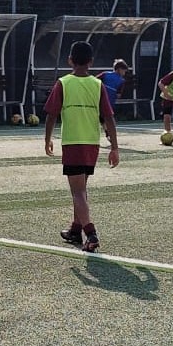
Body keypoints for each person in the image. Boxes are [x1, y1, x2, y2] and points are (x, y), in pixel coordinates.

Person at [44, 40, 119, 253]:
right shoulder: (97, 84)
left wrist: (47, 139)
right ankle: (75, 230)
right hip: (92, 143)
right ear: (91, 62)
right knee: (82, 189)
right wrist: (114, 147)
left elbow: (51, 115)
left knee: (77, 192)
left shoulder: (63, 83)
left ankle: (91, 233)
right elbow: (109, 118)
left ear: (70, 60)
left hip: (73, 142)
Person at [98, 59, 128, 142]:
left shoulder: (105, 74)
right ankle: (111, 135)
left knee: (101, 118)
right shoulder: (121, 81)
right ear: (119, 69)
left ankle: (108, 133)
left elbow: (94, 81)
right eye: (124, 71)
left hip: (98, 100)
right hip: (108, 103)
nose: (124, 73)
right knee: (108, 118)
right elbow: (118, 95)